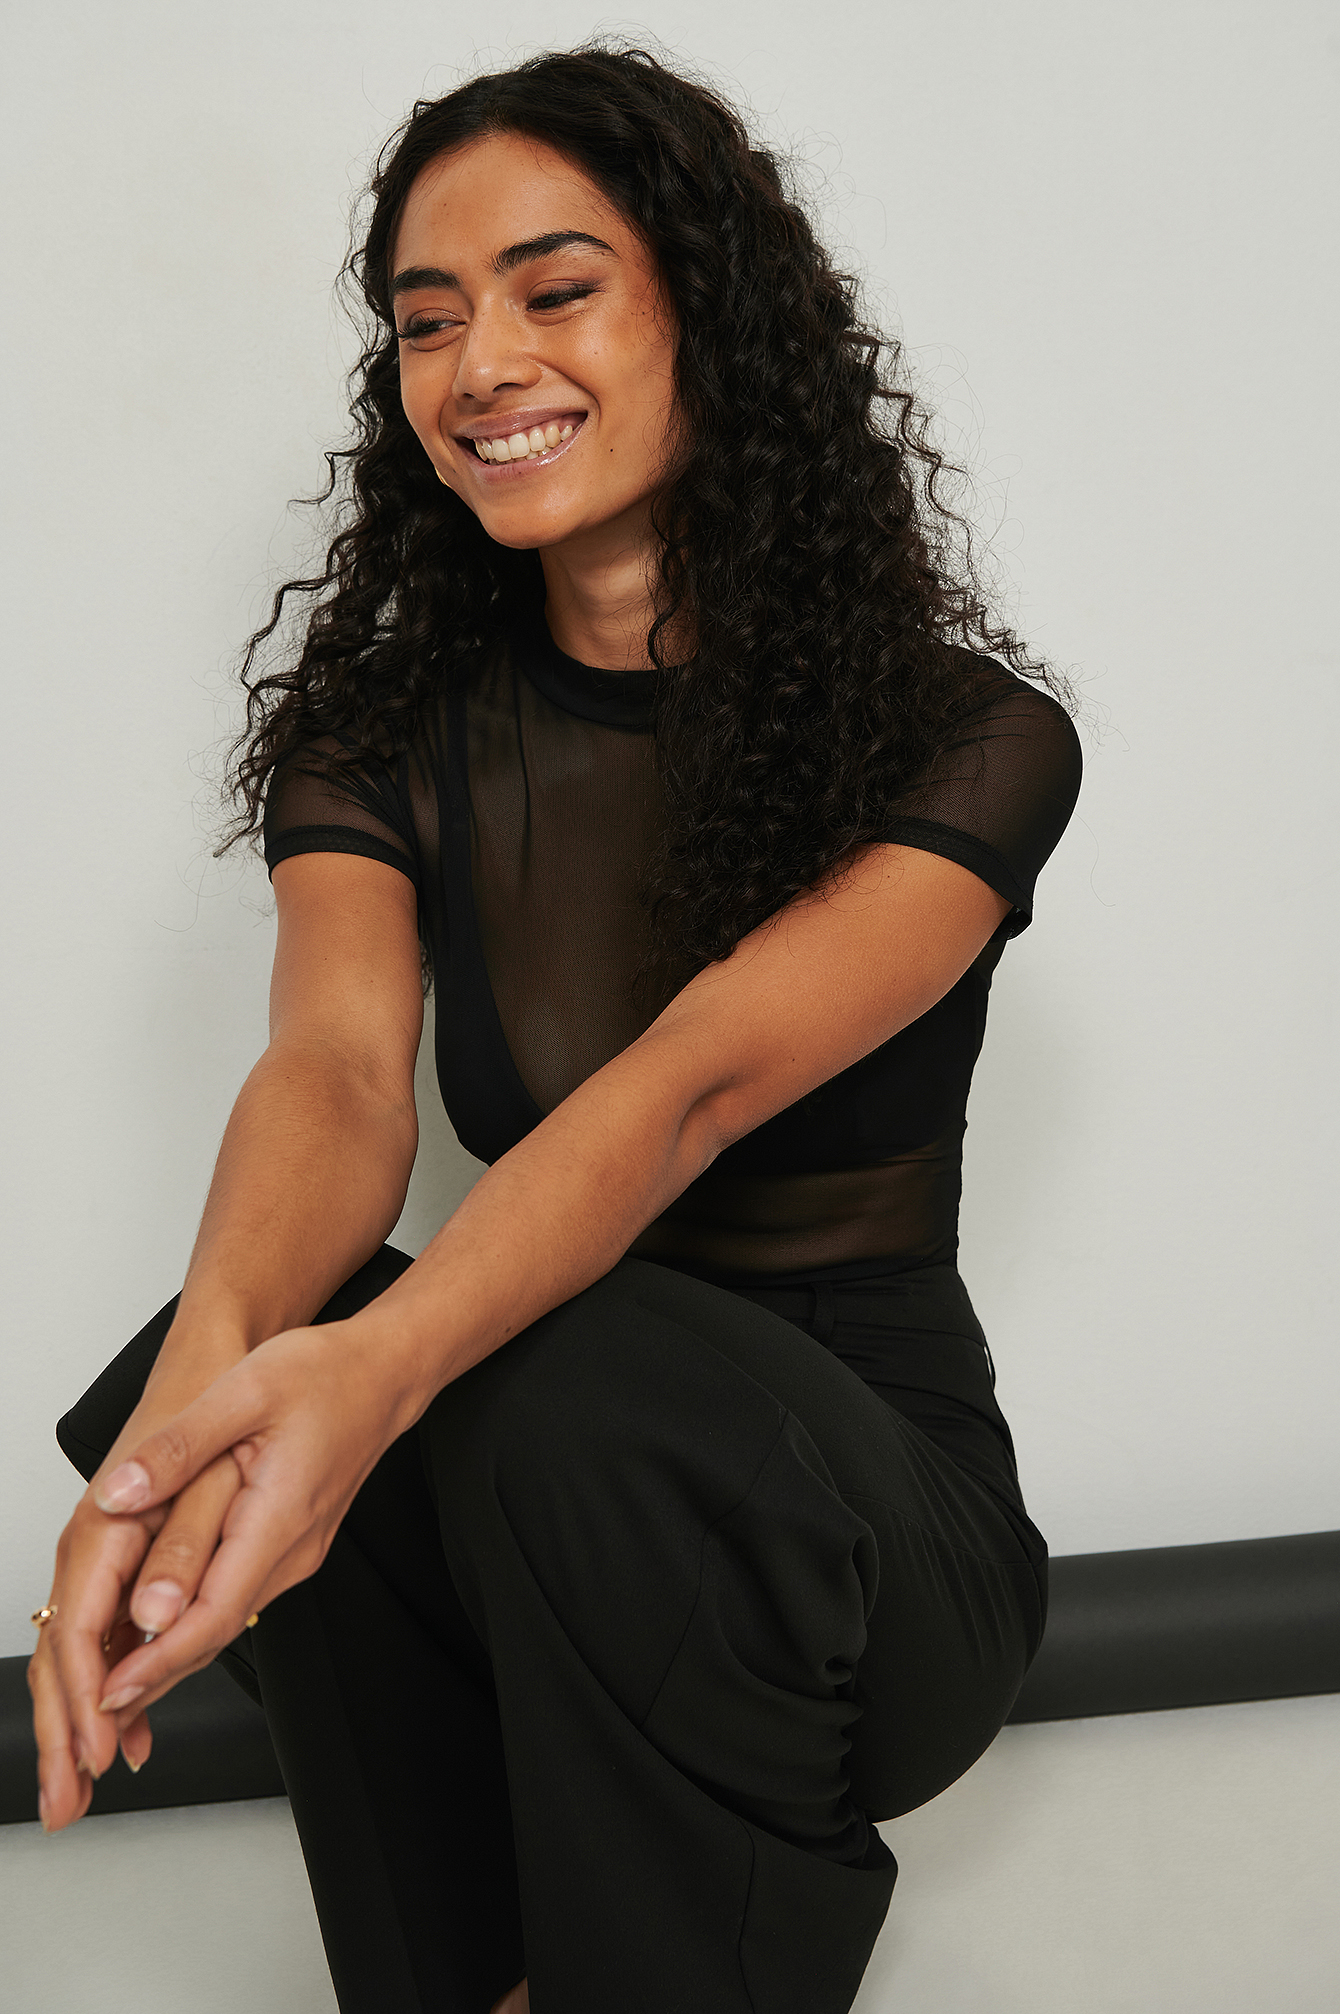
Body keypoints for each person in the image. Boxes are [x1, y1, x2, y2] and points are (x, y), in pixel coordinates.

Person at [29, 43, 1082, 2014]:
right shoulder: (384, 735)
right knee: (224, 1359)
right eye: (428, 321)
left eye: (556, 289)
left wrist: (361, 1378)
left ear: (710, 318)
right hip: (543, 1505)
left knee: (507, 1369)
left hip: (864, 1548)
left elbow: (681, 1095)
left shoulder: (962, 736)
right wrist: (172, 1447)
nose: (481, 364)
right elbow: (337, 1073)